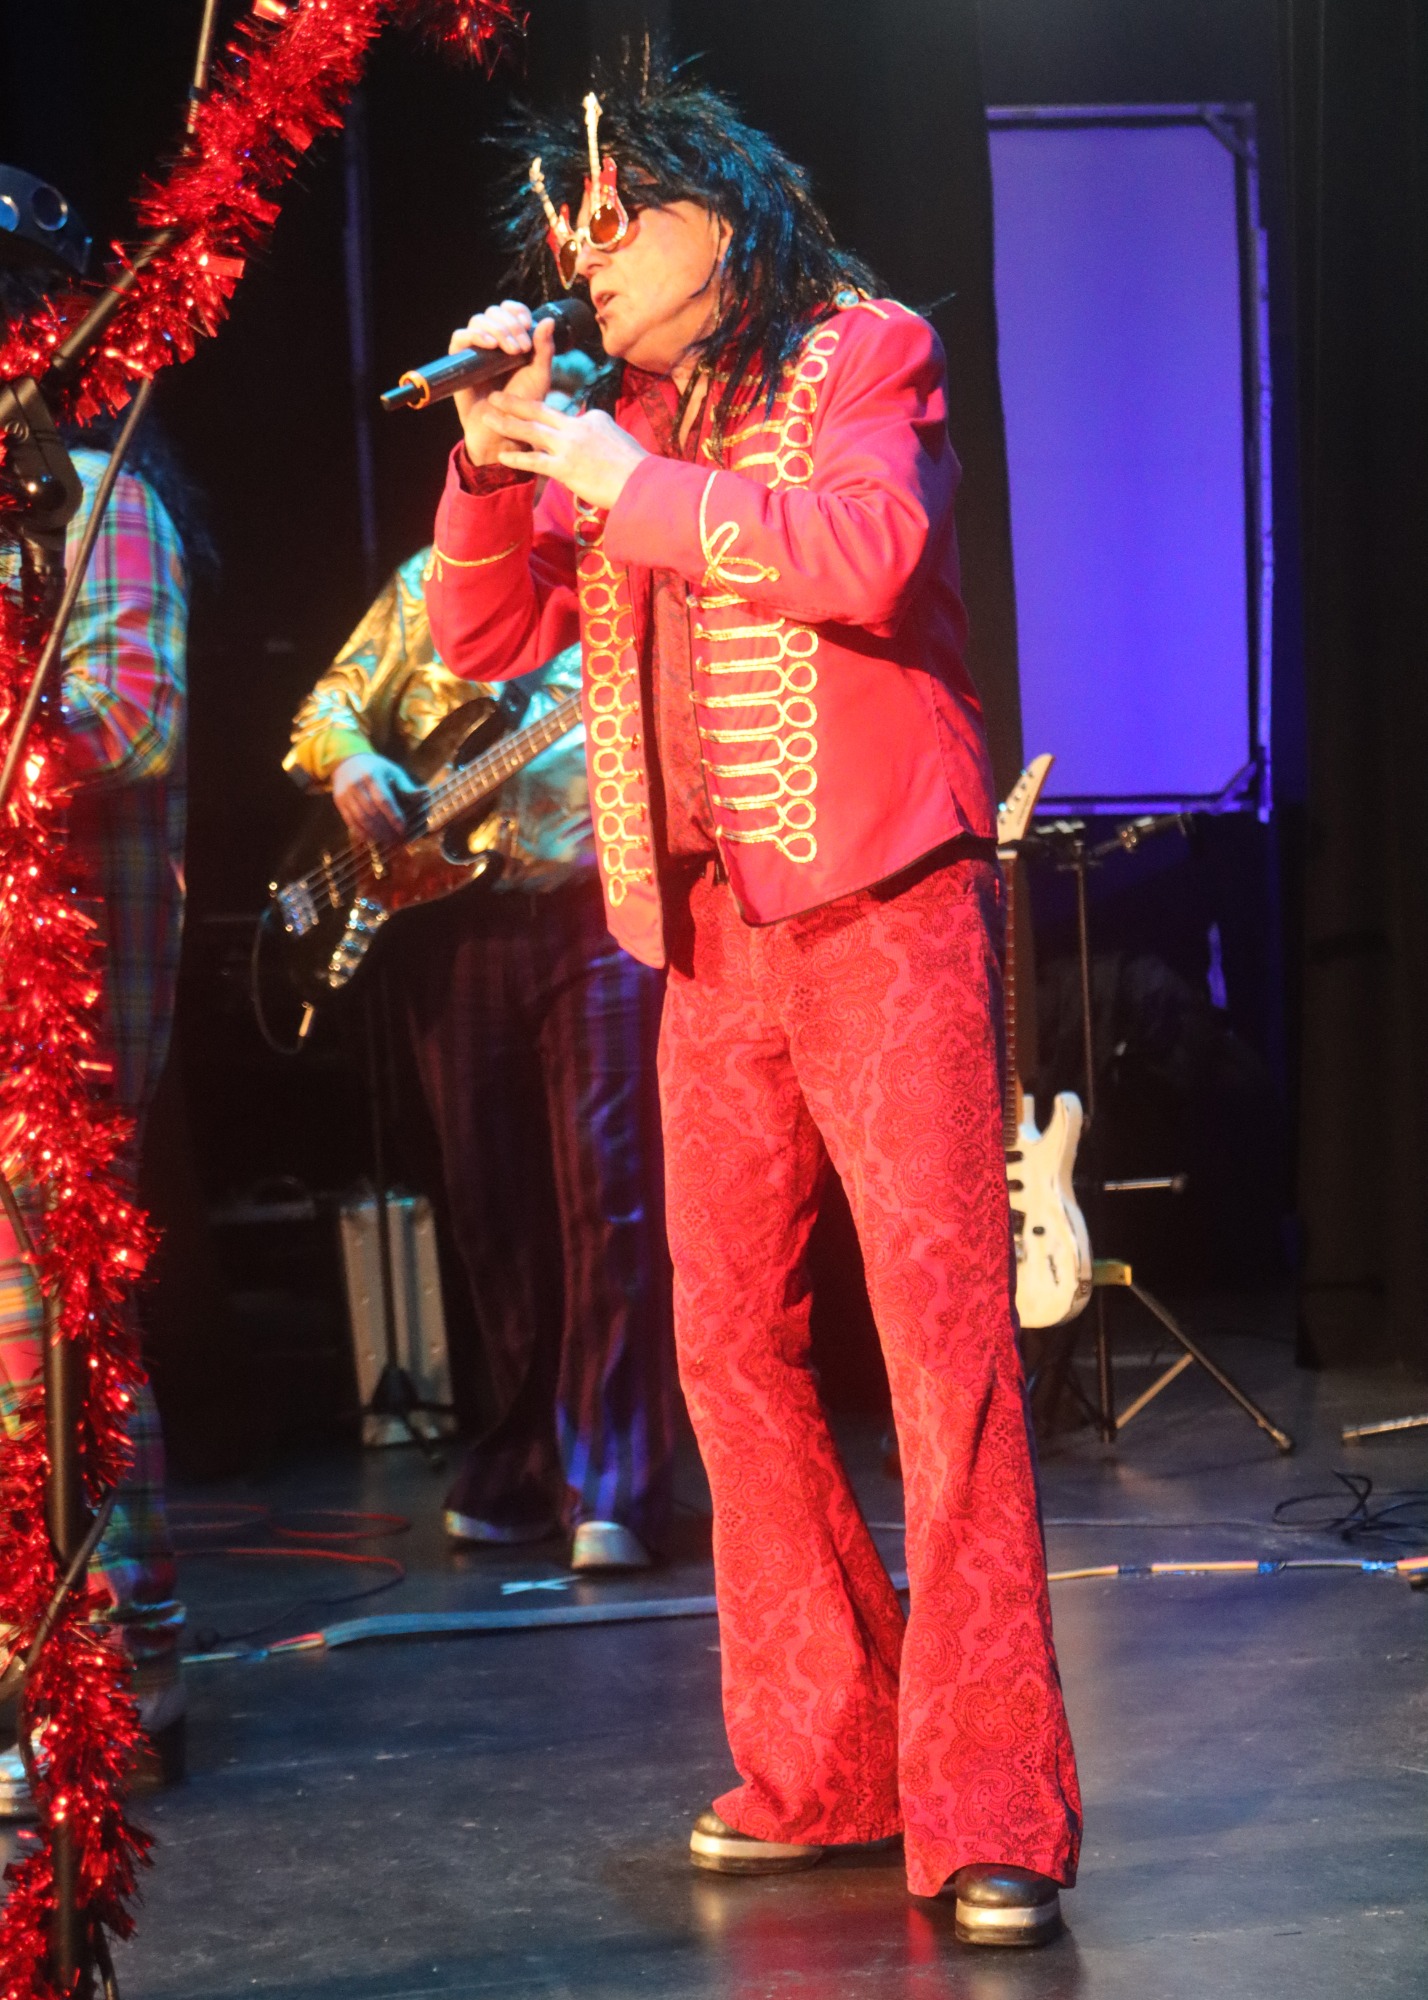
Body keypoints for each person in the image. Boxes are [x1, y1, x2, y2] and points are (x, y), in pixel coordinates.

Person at [421, 64, 1083, 1942]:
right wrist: (491, 459)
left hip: (883, 911)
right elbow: (478, 637)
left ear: (721, 219)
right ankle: (823, 1759)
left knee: (942, 1353)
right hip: (704, 944)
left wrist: (621, 482)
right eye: (569, 239)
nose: (589, 265)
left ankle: (990, 1804)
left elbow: (868, 551)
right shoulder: (610, 414)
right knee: (726, 1355)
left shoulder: (866, 351)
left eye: (618, 225)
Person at [284, 354, 675, 1569]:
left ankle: (613, 1483)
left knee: (610, 1195)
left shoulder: (629, 562)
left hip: (598, 909)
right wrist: (354, 763)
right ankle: (521, 1461)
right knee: (495, 1208)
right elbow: (322, 708)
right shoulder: (427, 586)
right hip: (455, 925)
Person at [1, 223, 191, 1812]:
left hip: (65, 995)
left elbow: (127, 718)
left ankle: (112, 1672)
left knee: (49, 1328)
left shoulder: (97, 498)